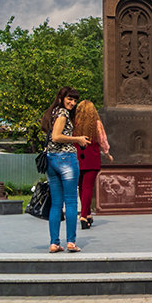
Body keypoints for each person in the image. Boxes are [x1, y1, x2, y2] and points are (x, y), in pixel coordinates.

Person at [40, 86, 90, 253]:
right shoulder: (62, 114)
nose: (72, 102)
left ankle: (54, 243)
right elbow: (56, 136)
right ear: (61, 97)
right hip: (66, 159)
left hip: (52, 160)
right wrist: (78, 139)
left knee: (56, 204)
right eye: (70, 98)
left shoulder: (53, 112)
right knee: (70, 202)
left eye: (75, 100)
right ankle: (70, 242)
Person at [73, 100, 111, 229]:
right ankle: (84, 215)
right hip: (92, 157)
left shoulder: (74, 123)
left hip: (77, 156)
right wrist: (107, 153)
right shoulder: (96, 124)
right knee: (88, 187)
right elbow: (102, 140)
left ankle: (87, 214)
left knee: (81, 187)